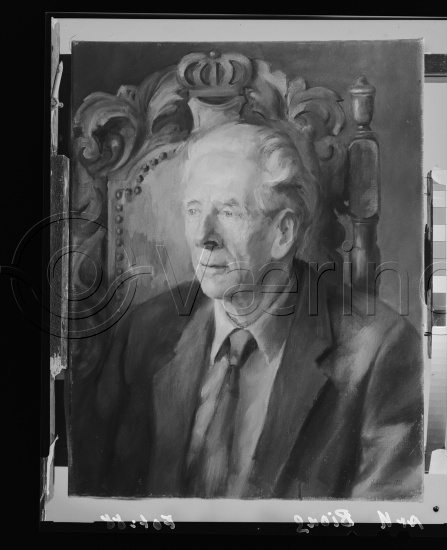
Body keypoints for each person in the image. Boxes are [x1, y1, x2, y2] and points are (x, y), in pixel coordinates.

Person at [70, 121, 423, 500]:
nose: (202, 236)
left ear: (283, 233)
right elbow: (88, 491)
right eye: (193, 210)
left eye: (228, 212)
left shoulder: (379, 350)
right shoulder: (145, 329)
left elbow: (385, 514)